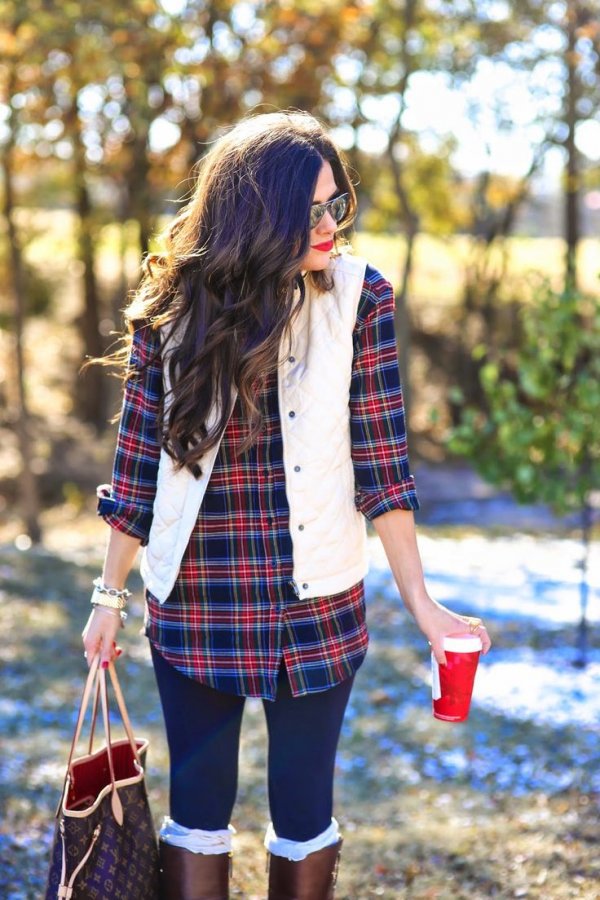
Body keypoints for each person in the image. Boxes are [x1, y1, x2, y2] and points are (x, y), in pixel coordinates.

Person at [82, 110, 491, 900]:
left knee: (304, 809)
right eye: (308, 211)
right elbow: (138, 468)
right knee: (198, 806)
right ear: (256, 214)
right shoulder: (175, 308)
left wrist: (424, 603)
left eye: (337, 203)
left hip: (319, 601)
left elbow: (383, 465)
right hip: (200, 595)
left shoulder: (360, 297)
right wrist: (108, 596)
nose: (330, 223)